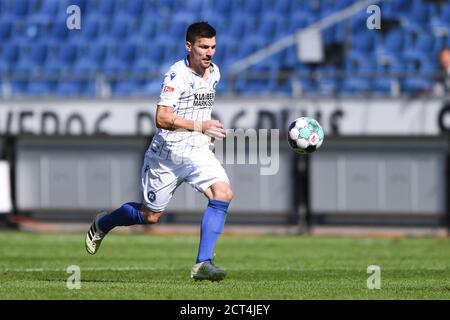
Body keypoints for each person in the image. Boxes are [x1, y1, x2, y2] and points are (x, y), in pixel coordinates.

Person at [85, 22, 233, 282]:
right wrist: (200, 125)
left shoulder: (215, 73)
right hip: (167, 157)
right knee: (151, 216)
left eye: (213, 47)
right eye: (203, 47)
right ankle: (104, 223)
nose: (209, 53)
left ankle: (203, 264)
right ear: (189, 46)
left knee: (223, 193)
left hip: (198, 152)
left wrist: (204, 134)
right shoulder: (176, 76)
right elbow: (162, 118)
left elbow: (199, 108)